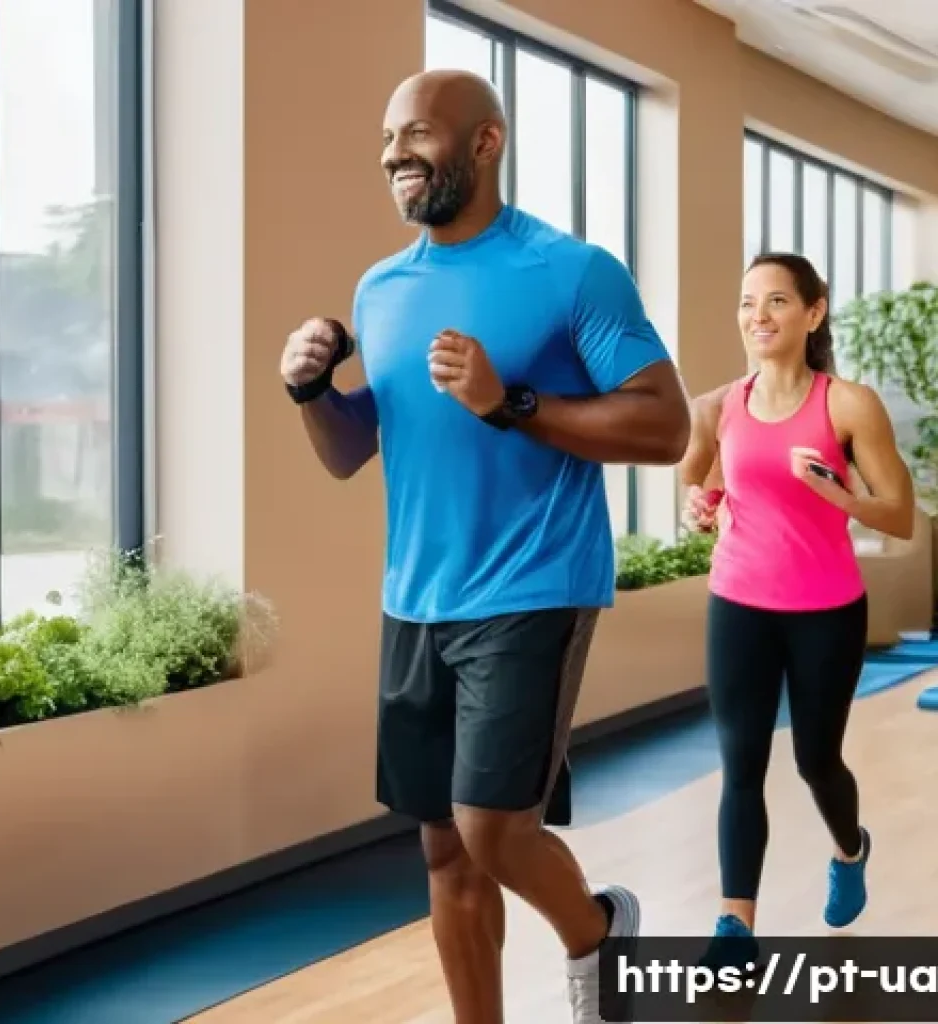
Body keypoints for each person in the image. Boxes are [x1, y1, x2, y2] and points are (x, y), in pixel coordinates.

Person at [279, 69, 691, 1024]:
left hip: (534, 581)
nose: (393, 155)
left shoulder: (571, 270)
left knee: (495, 829)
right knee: (444, 851)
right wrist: (312, 395)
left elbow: (664, 427)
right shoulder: (381, 290)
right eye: (386, 139)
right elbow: (353, 455)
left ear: (485, 143)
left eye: (416, 134)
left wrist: (513, 402)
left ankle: (596, 931)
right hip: (417, 596)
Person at [680, 251, 916, 965]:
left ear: (813, 313)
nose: (759, 316)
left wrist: (838, 495)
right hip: (739, 604)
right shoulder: (717, 407)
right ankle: (734, 927)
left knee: (817, 761)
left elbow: (903, 517)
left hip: (826, 611)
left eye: (777, 301)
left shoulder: (847, 404)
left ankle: (850, 850)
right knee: (741, 763)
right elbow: (699, 490)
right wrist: (699, 505)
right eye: (749, 302)